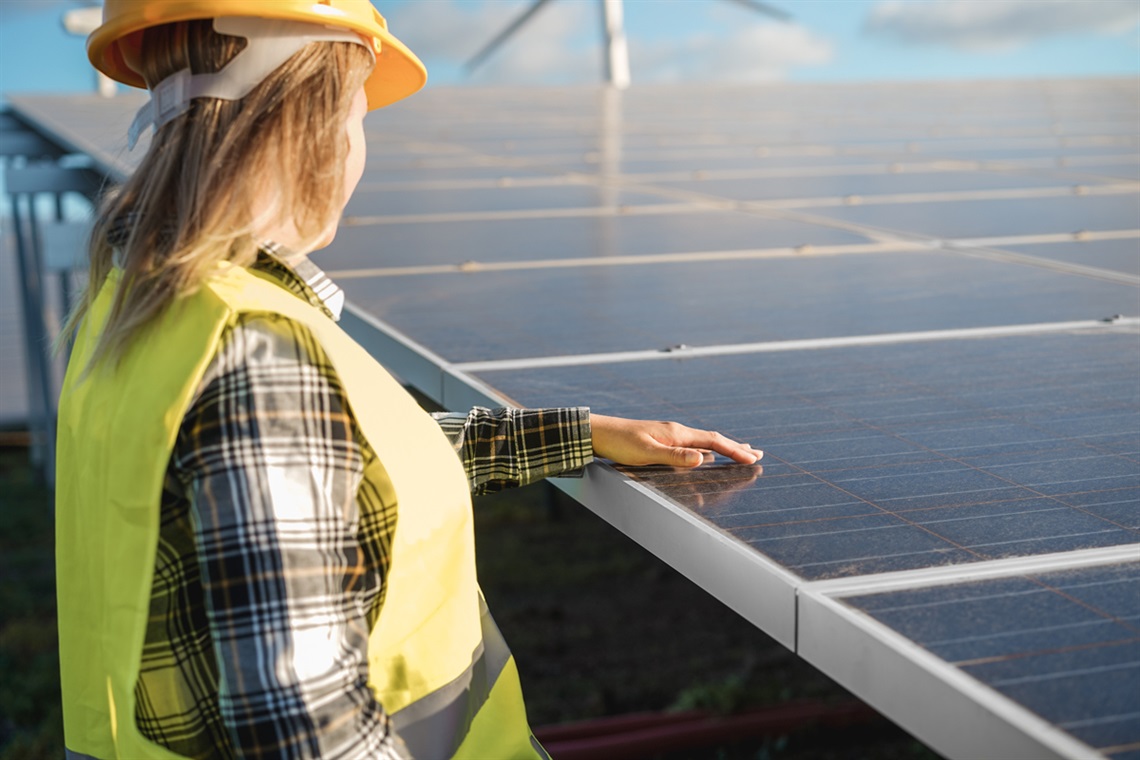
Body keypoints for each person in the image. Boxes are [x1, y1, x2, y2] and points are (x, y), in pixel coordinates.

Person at [55, 2, 764, 758]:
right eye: (361, 112)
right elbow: (308, 732)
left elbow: (339, 472)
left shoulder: (141, 311)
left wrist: (577, 436)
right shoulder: (257, 361)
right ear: (313, 114)